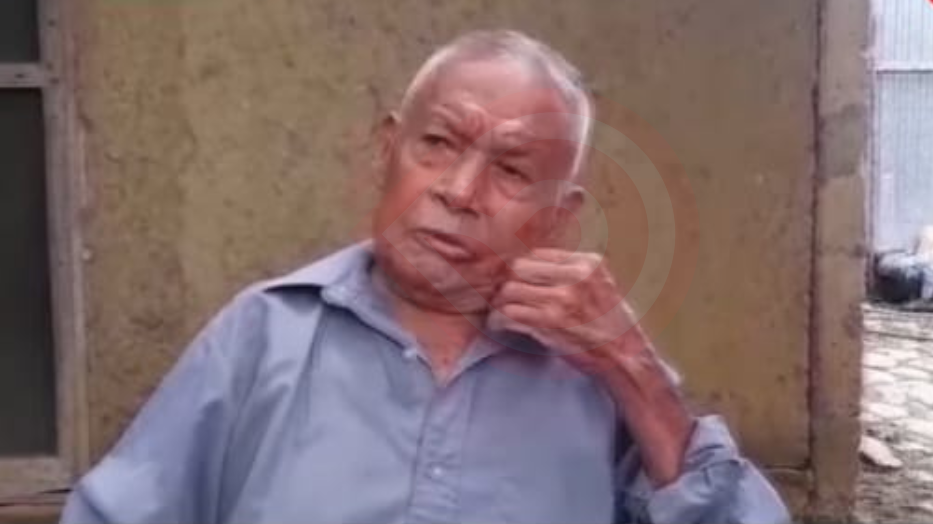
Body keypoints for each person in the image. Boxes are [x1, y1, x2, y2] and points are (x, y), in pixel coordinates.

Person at [61, 30, 789, 524]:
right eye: (437, 144)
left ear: (558, 217)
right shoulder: (263, 336)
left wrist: (634, 370)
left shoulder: (600, 375)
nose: (460, 192)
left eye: (510, 171)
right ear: (388, 149)